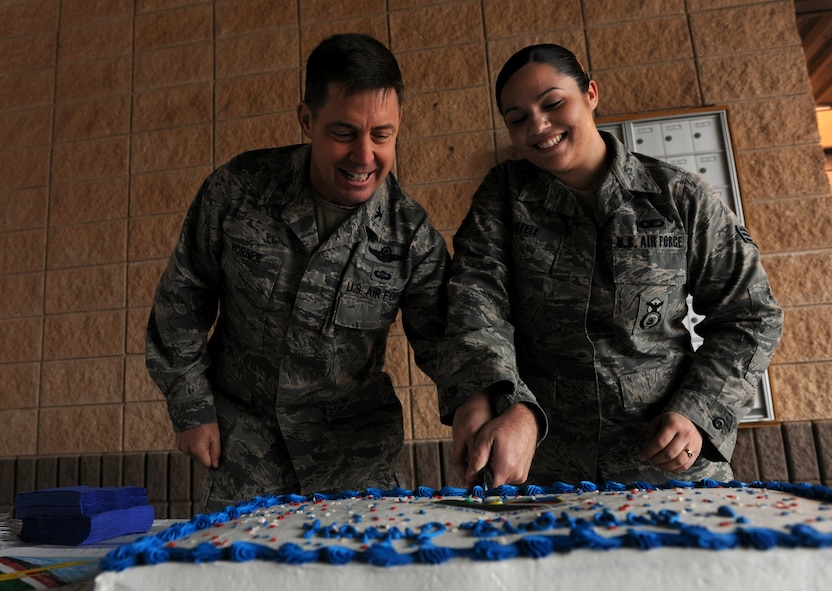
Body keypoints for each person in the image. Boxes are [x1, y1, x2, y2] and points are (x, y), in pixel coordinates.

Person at [438, 44, 783, 489]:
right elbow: (476, 300)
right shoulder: (505, 195)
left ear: (591, 94)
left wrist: (697, 411)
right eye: (517, 118)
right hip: (541, 468)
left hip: (663, 464)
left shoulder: (680, 198)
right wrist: (505, 402)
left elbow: (751, 315)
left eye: (553, 103)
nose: (539, 126)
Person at [146, 33, 449, 512]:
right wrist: (190, 406)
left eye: (382, 135)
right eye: (344, 133)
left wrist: (484, 407)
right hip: (245, 452)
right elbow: (181, 301)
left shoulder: (409, 234)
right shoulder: (237, 191)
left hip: (356, 460)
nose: (365, 156)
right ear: (308, 120)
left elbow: (449, 338)